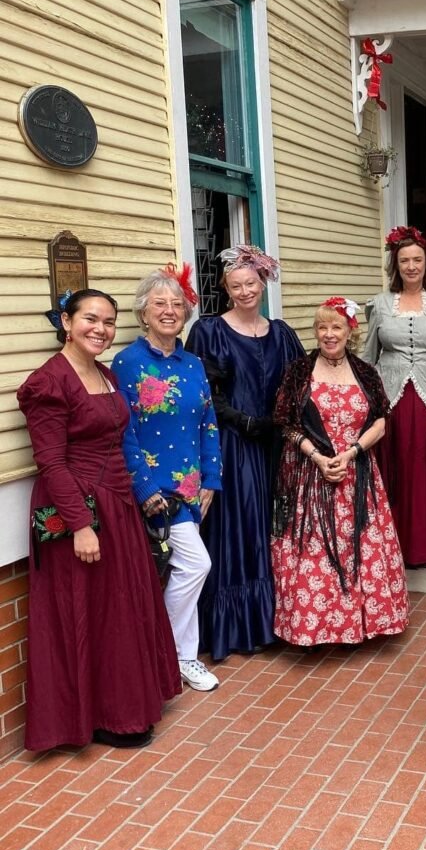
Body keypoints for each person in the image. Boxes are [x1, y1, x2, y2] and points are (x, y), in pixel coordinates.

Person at [16, 289, 181, 749]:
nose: (101, 330)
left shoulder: (105, 374)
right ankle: (93, 717)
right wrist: (80, 526)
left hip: (117, 504)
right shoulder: (48, 383)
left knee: (118, 610)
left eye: (108, 322)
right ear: (66, 323)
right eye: (90, 319)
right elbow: (52, 462)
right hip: (75, 510)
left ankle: (122, 708)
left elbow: (117, 441)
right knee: (86, 611)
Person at [185, 244, 304, 660]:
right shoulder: (210, 331)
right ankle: (237, 627)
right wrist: (241, 420)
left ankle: (277, 620)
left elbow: (300, 388)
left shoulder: (283, 333)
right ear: (226, 289)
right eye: (236, 286)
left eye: (251, 283)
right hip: (233, 446)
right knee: (239, 530)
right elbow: (201, 392)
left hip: (276, 446)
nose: (244, 291)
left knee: (273, 528)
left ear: (263, 283)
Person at [271, 298, 408, 647]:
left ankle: (362, 625)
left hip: (357, 477)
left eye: (336, 327)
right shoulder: (299, 372)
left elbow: (381, 419)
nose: (329, 334)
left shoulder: (365, 372)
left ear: (350, 331)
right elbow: (285, 423)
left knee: (362, 547)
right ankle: (316, 629)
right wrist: (318, 457)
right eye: (322, 327)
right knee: (314, 554)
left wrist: (351, 453)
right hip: (311, 477)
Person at [112, 264, 223, 692]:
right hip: (156, 492)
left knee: (184, 571)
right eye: (160, 303)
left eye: (177, 303)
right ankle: (169, 652)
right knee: (197, 565)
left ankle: (181, 656)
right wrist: (143, 487)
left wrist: (211, 479)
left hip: (192, 488)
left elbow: (208, 423)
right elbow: (123, 431)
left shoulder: (193, 362)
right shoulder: (127, 364)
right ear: (143, 312)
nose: (169, 310)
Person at [361, 226, 426, 565]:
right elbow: (368, 356)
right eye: (404, 260)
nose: (411, 266)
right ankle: (393, 546)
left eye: (417, 260)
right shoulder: (379, 304)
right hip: (390, 399)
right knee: (394, 468)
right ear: (395, 264)